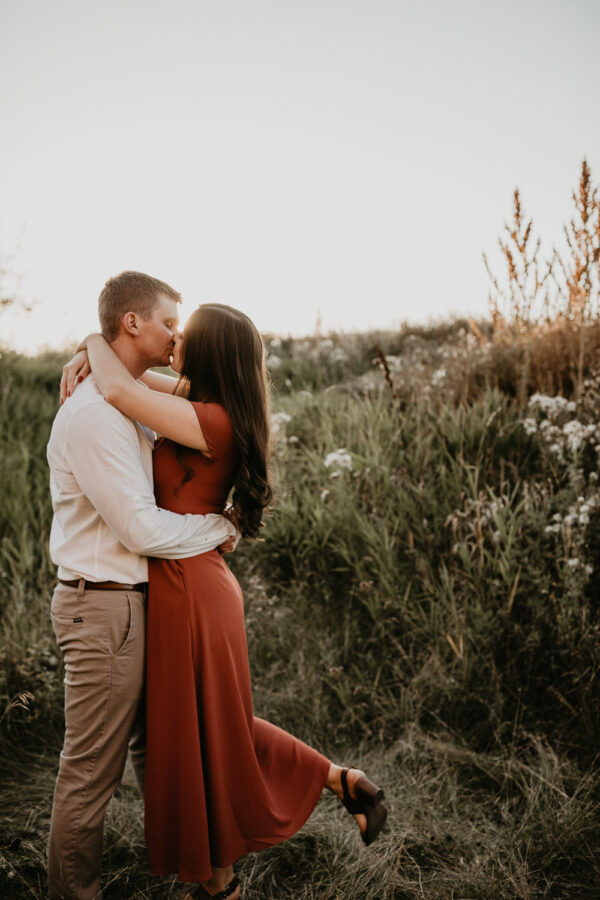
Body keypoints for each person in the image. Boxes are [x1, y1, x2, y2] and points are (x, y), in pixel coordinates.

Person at [65, 302, 387, 900]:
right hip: (189, 582)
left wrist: (91, 338)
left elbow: (115, 385)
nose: (176, 340)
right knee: (210, 725)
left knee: (204, 729)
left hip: (191, 590)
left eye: (187, 335)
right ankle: (339, 783)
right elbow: (127, 376)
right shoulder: (202, 407)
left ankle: (222, 886)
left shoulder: (208, 420)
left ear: (208, 351)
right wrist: (92, 350)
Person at [47, 272, 238, 900]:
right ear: (132, 323)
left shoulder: (129, 396)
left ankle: (200, 874)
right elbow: (138, 526)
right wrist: (217, 527)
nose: (174, 336)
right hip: (102, 607)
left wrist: (86, 346)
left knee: (166, 749)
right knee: (90, 772)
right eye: (166, 323)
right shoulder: (96, 416)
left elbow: (129, 389)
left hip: (135, 605)